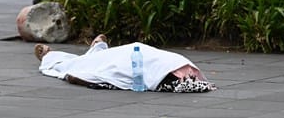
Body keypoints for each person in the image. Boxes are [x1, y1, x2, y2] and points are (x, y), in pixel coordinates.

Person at [34, 35, 216, 92]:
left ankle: (52, 57)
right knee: (94, 62)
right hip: (140, 55)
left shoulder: (176, 77)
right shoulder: (181, 73)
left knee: (88, 64)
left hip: (149, 63)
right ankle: (98, 49)